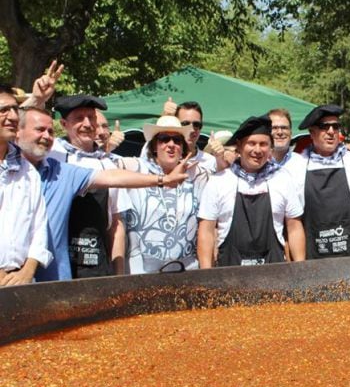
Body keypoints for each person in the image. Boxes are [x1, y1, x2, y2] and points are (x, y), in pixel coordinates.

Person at [16, 108, 190, 281]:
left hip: (63, 275)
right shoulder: (49, 159)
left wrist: (164, 180)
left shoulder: (62, 170)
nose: (46, 136)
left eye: (50, 131)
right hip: (15, 271)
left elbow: (112, 180)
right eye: (40, 130)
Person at [197, 115, 305, 267]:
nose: (257, 150)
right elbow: (206, 231)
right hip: (229, 275)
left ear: (270, 148)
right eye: (251, 143)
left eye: (263, 144)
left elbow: (294, 228)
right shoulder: (219, 181)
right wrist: (206, 275)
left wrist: (301, 269)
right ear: (239, 146)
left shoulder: (282, 180)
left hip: (275, 274)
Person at [50, 94, 131, 277]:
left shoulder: (108, 165)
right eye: (79, 118)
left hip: (96, 268)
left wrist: (118, 275)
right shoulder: (52, 156)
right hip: (57, 268)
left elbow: (117, 225)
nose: (87, 124)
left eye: (91, 117)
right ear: (64, 124)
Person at [283, 104, 350, 259]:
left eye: (335, 126)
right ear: (312, 132)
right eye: (324, 127)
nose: (331, 132)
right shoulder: (295, 167)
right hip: (313, 260)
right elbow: (292, 223)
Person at [120, 116, 210, 273]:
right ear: (154, 145)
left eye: (177, 140)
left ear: (183, 147)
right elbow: (103, 170)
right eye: (164, 139)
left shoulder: (198, 175)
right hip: (140, 272)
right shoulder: (133, 167)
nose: (171, 145)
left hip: (185, 271)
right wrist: (106, 146)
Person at [0, 85, 52, 286]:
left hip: (21, 283)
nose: (13, 116)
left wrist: (28, 271)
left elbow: (39, 226)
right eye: (4, 110)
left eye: (15, 109)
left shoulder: (27, 170)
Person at [162, 98, 226, 173]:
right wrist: (164, 118)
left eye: (196, 124)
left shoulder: (211, 161)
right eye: (185, 124)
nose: (192, 129)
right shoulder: (162, 157)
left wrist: (220, 159)